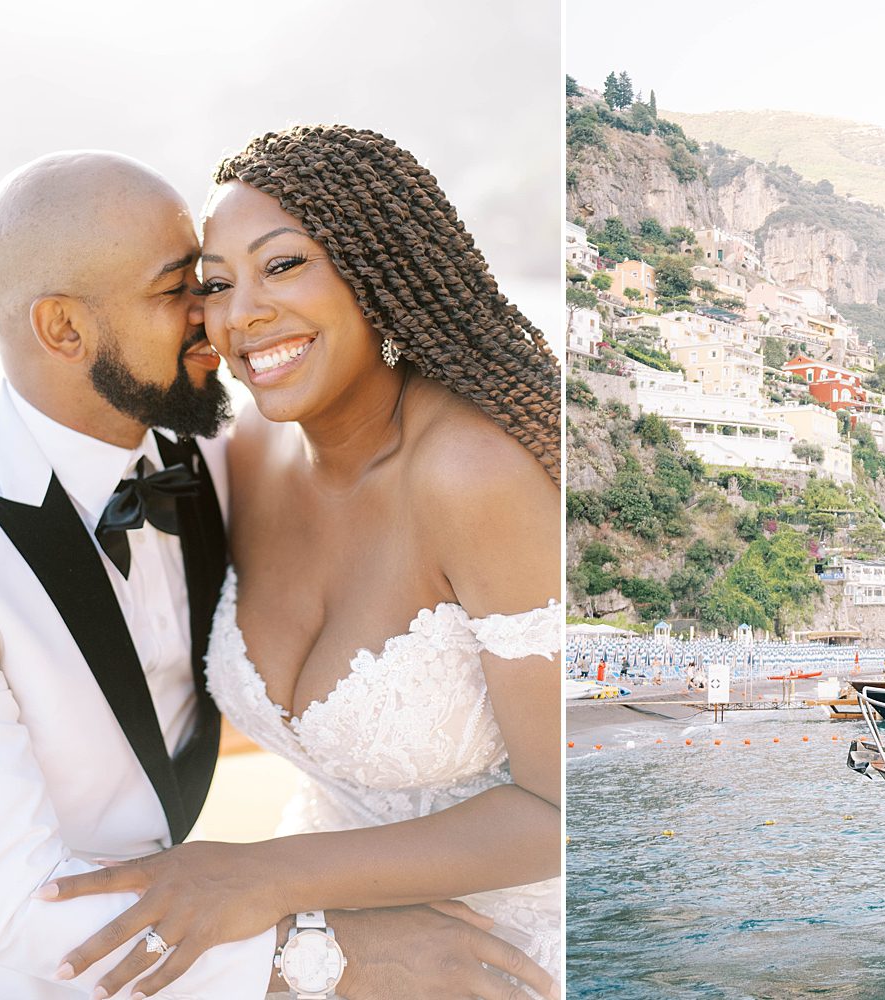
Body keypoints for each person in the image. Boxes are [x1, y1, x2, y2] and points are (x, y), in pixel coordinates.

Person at [0, 151, 552, 998]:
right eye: (193, 287)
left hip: (297, 924)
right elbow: (17, 911)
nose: (219, 320)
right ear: (65, 330)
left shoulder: (218, 448)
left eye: (254, 274)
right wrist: (331, 953)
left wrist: (272, 891)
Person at [34, 125, 563, 998]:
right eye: (215, 284)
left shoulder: (470, 477)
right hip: (324, 934)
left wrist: (266, 876)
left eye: (283, 266)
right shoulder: (243, 456)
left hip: (492, 948)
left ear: (377, 270)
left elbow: (557, 812)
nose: (242, 315)